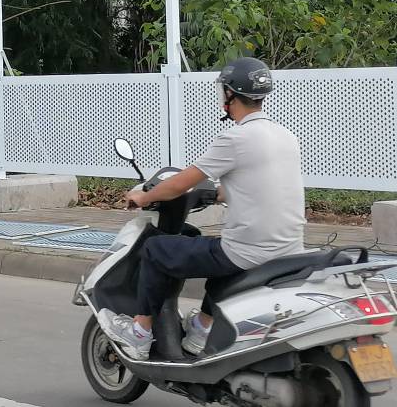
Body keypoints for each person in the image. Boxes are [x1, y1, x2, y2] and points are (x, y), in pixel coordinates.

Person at [97, 57, 305, 361]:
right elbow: (260, 181)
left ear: (230, 95)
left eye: (223, 91)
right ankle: (200, 329)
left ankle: (140, 333)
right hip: (290, 249)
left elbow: (181, 183)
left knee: (156, 250)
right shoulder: (285, 136)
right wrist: (222, 194)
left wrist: (143, 197)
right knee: (212, 254)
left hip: (250, 250)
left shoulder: (236, 137)